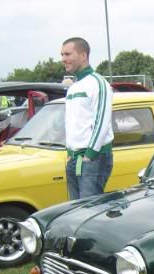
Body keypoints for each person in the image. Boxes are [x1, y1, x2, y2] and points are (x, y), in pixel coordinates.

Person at [60, 36, 114, 200]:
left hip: (93, 158)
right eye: (62, 55)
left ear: (83, 55)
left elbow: (102, 122)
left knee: (89, 210)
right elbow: (71, 122)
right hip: (74, 158)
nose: (63, 59)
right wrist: (70, 153)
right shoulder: (73, 88)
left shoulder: (99, 83)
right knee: (75, 210)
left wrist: (89, 155)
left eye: (68, 54)